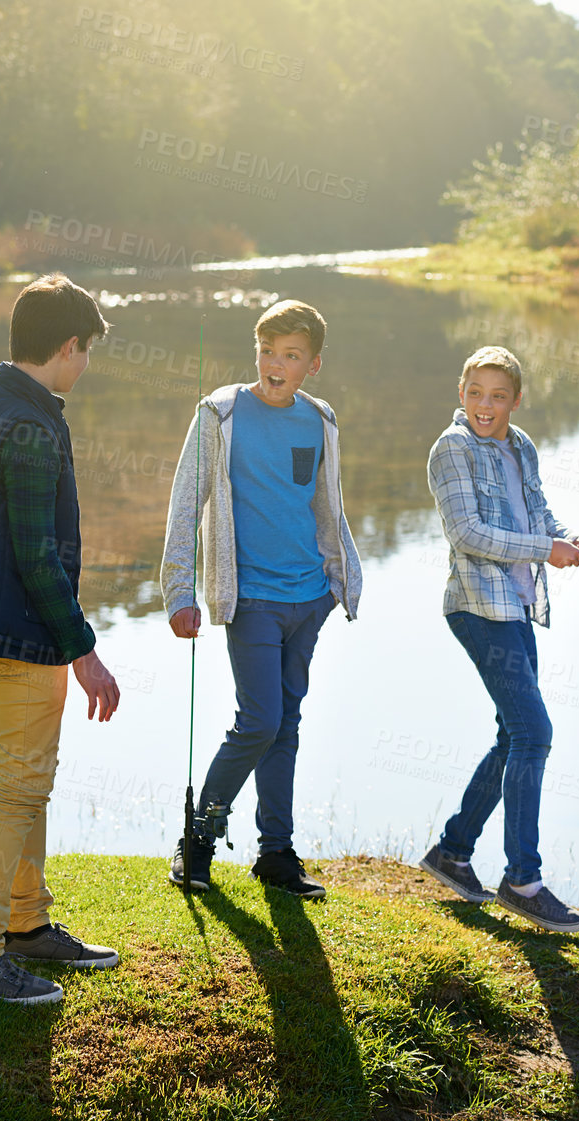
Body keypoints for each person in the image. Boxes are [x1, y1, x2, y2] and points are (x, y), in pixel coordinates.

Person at [0, 273, 124, 1005]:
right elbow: (36, 553)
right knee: (18, 788)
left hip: (1, 620)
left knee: (28, 780)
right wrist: (86, 650)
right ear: (69, 346)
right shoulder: (30, 425)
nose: (86, 366)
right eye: (87, 352)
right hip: (18, 625)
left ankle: (26, 924)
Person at [162, 299, 362, 899]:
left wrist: (338, 581)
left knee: (287, 724)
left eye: (291, 355)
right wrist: (178, 591)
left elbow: (328, 505)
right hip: (249, 599)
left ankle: (276, 853)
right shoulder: (221, 414)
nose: (276, 364)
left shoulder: (319, 418)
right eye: (267, 351)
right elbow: (185, 504)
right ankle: (198, 839)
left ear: (313, 364)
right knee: (260, 720)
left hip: (309, 597)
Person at [417, 345, 579, 933]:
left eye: (498, 395)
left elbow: (539, 517)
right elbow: (468, 532)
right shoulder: (451, 449)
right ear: (461, 392)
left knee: (513, 735)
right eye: (476, 392)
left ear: (515, 400)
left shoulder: (520, 445)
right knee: (534, 732)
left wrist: (578, 541)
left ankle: (452, 854)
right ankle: (522, 880)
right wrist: (543, 550)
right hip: (479, 609)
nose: (486, 405)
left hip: (519, 607)